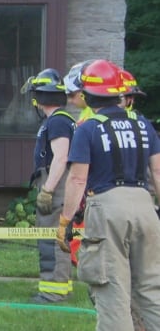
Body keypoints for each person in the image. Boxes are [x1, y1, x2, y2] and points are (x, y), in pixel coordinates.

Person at [56, 59, 160, 330]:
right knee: (151, 288)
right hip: (144, 205)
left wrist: (66, 220)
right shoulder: (143, 124)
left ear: (87, 95)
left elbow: (78, 178)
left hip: (108, 207)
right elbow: (158, 172)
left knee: (112, 290)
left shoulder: (88, 128)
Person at [22, 68, 75, 303]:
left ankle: (52, 291)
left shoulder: (59, 121)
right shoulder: (60, 120)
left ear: (40, 98)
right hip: (57, 182)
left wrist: (48, 190)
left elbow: (61, 158)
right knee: (56, 237)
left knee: (50, 238)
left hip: (55, 184)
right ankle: (60, 285)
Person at [62, 60, 94, 267]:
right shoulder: (85, 115)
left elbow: (80, 174)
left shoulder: (91, 120)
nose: (70, 101)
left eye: (72, 95)